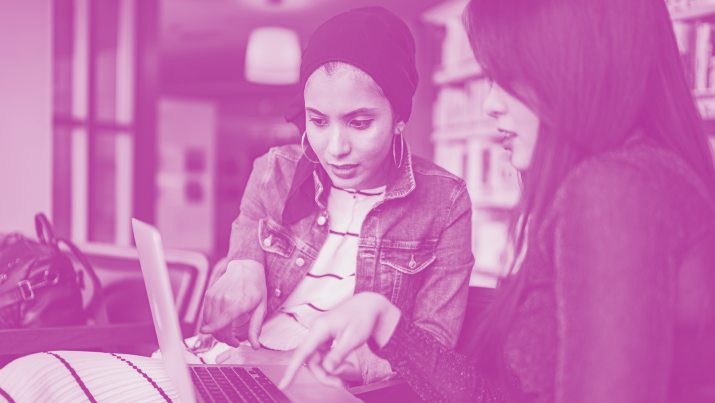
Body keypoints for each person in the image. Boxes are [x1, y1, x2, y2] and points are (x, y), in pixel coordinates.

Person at [281, 0, 715, 401]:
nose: (490, 104)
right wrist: (386, 322)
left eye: (507, 78)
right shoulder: (633, 179)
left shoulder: (617, 190)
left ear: (577, 64)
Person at [200, 6, 474, 386]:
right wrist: (241, 262)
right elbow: (238, 273)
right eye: (317, 121)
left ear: (399, 119)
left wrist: (285, 365)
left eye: (359, 123)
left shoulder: (446, 202)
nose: (335, 148)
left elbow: (431, 349)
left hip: (331, 378)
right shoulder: (273, 169)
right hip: (248, 355)